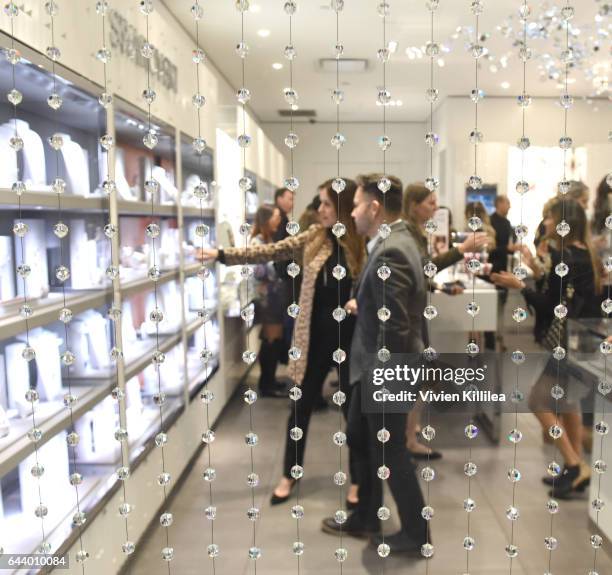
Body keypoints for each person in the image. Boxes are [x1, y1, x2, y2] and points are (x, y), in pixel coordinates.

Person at [202, 179, 365, 506]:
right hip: (316, 337)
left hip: (352, 340)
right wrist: (222, 254)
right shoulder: (315, 237)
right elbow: (269, 250)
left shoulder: (363, 242)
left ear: (344, 208)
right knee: (300, 407)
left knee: (354, 414)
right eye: (320, 203)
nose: (319, 210)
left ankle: (359, 480)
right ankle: (290, 473)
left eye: (327, 205)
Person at [321, 174, 428, 554]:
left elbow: (394, 327)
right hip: (373, 366)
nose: (351, 212)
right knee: (360, 438)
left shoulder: (391, 249)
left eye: (356, 205)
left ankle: (416, 534)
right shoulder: (392, 241)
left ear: (374, 207)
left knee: (389, 450)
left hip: (385, 369)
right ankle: (366, 515)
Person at [492, 199, 600, 498]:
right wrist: (537, 273)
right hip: (581, 341)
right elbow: (563, 297)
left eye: (549, 218)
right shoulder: (584, 254)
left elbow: (551, 307)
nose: (546, 224)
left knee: (538, 401)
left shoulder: (566, 256)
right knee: (568, 404)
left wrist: (521, 285)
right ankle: (574, 469)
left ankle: (576, 464)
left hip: (565, 344)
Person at [402, 183, 489, 460]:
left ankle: (409, 434)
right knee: (418, 379)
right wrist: (461, 249)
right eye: (430, 203)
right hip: (411, 318)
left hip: (415, 314)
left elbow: (420, 276)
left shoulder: (414, 233)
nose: (435, 208)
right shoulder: (408, 234)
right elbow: (423, 270)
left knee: (420, 379)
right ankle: (408, 438)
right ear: (414, 205)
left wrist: (441, 288)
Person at [249, 205, 287, 398]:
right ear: (267, 219)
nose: (279, 220)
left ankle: (270, 381)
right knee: (271, 339)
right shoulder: (257, 242)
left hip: (274, 297)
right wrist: (277, 270)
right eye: (276, 217)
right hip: (266, 299)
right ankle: (267, 385)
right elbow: (258, 271)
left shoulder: (268, 240)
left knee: (273, 339)